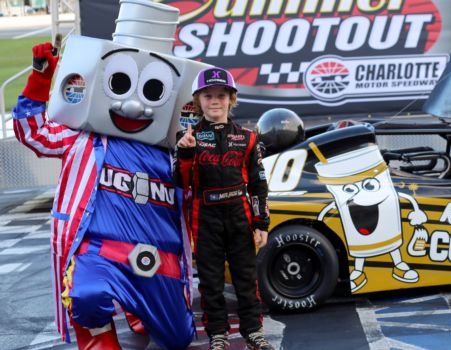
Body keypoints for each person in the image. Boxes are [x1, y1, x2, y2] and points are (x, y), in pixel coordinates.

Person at [13, 41, 194, 349]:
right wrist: (41, 78)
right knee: (86, 296)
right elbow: (34, 133)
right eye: (121, 86)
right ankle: (99, 337)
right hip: (99, 252)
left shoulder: (175, 149)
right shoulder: (83, 138)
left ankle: (140, 307)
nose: (135, 106)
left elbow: (200, 194)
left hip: (158, 258)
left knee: (179, 339)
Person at [173, 67, 273, 350]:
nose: (214, 101)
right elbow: (178, 182)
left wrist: (261, 223)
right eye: (208, 96)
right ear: (197, 100)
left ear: (231, 99)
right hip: (204, 218)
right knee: (210, 281)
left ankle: (253, 330)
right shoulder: (186, 137)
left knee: (246, 277)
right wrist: (186, 152)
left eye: (220, 95)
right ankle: (218, 333)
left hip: (239, 215)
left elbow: (258, 184)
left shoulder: (247, 137)